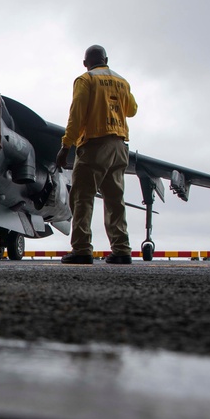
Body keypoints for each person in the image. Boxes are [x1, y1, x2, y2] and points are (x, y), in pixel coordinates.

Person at [56, 45, 138, 265]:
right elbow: (132, 110)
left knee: (82, 197)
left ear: (85, 63)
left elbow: (77, 115)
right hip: (120, 146)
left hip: (94, 145)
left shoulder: (85, 80)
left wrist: (66, 146)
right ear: (106, 59)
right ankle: (121, 249)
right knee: (115, 200)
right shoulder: (122, 82)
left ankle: (82, 249)